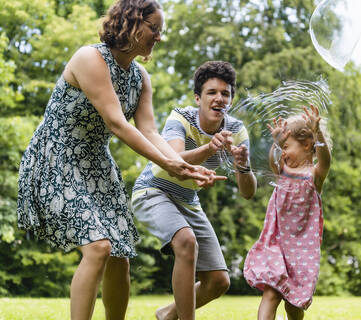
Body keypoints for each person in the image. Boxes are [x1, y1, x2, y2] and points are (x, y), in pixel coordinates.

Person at [16, 1, 221, 319]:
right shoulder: (89, 58)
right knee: (99, 247)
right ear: (131, 23)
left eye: (160, 31)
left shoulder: (140, 77)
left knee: (119, 254)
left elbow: (151, 132)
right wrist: (169, 165)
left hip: (96, 165)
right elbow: (117, 123)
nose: (158, 37)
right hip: (56, 157)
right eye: (154, 28)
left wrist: (185, 165)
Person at [132, 60, 257, 320]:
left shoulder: (236, 130)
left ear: (231, 100)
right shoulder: (181, 117)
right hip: (153, 191)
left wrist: (243, 167)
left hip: (188, 200)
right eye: (212, 92)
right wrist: (210, 148)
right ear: (198, 98)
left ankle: (166, 315)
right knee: (186, 242)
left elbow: (247, 192)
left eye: (225, 94)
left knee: (219, 281)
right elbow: (175, 159)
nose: (219, 98)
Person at [243, 105, 332, 320]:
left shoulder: (313, 176)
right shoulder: (283, 171)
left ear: (307, 144)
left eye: (286, 145)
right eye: (281, 146)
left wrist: (317, 131)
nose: (283, 151)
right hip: (276, 243)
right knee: (271, 293)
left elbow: (326, 160)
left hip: (302, 251)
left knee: (294, 305)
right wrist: (276, 142)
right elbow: (272, 160)